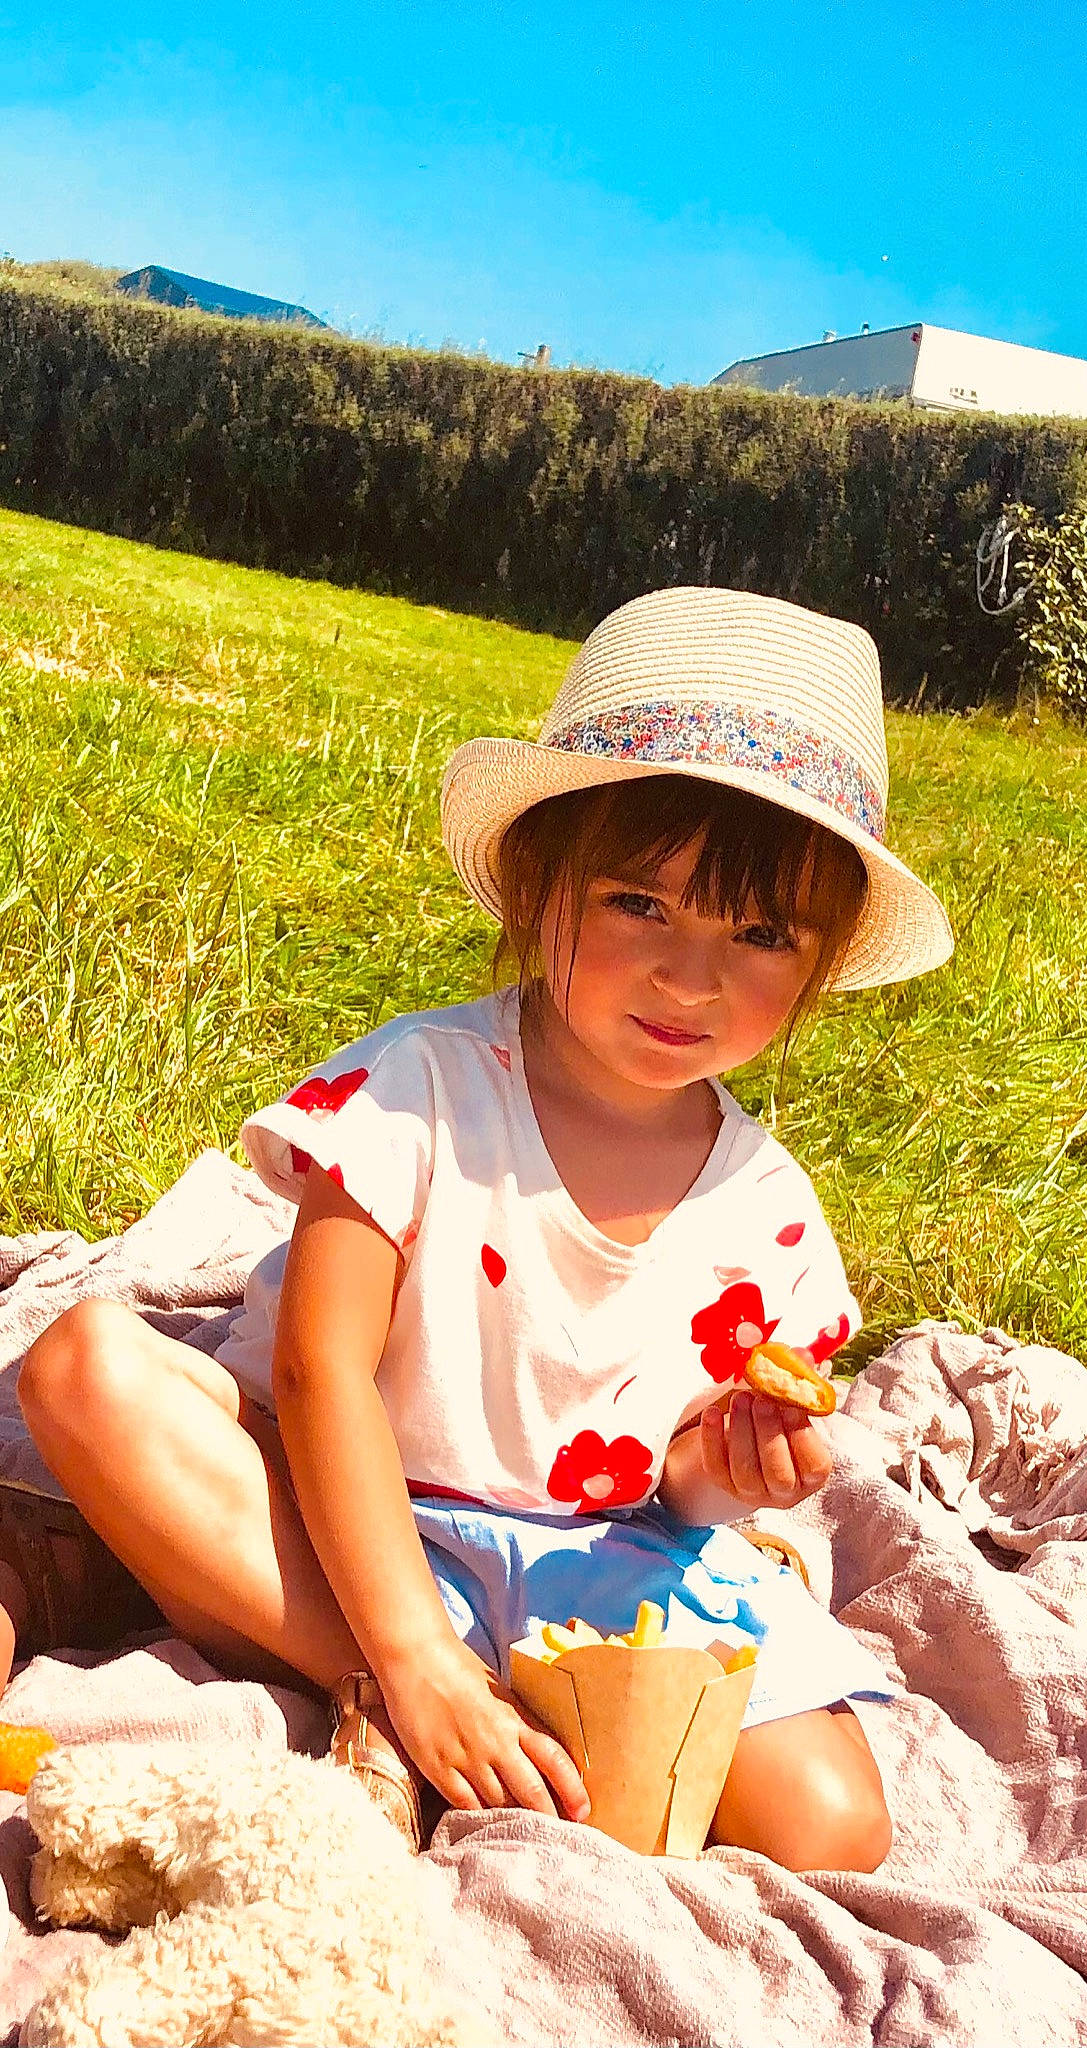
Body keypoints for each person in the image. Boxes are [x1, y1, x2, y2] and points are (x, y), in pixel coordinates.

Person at [12, 587, 952, 1869]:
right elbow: (318, 1367)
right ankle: (415, 1696)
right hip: (361, 1511)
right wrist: (414, 1652)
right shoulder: (420, 1090)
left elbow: (679, 1474)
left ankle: (459, 1720)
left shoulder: (764, 1204)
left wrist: (740, 1463)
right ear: (538, 872)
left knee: (835, 1831)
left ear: (823, 958)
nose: (691, 975)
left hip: (607, 1560)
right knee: (86, 1366)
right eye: (639, 903)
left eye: (760, 932)